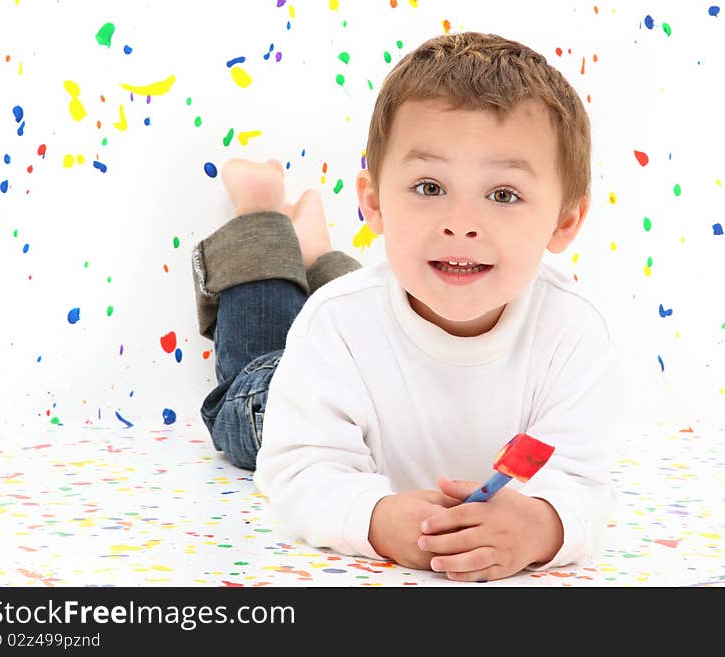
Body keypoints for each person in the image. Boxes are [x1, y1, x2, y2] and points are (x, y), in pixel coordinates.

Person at [191, 31, 622, 582]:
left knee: (365, 292)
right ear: (373, 202)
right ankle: (260, 213)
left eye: (504, 195)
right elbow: (297, 469)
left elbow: (584, 484)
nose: (462, 222)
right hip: (288, 390)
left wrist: (541, 527)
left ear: (564, 221)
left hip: (364, 334)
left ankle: (319, 252)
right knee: (247, 390)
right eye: (428, 186)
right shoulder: (335, 326)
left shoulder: (576, 334)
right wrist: (374, 517)